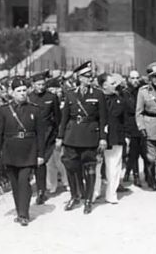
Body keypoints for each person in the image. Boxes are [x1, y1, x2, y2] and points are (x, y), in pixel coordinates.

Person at [0, 77, 45, 226]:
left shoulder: (34, 109)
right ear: (12, 93)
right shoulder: (4, 110)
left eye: (24, 90)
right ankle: (19, 209)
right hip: (10, 151)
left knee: (24, 182)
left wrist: (40, 154)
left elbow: (41, 134)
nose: (22, 93)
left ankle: (24, 213)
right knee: (15, 184)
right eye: (19, 91)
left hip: (29, 151)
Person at [56, 61, 107, 214]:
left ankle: (88, 200)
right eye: (86, 76)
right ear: (79, 77)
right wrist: (60, 136)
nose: (89, 78)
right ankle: (74, 195)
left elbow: (103, 119)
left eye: (91, 76)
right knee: (71, 168)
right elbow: (64, 118)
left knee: (90, 169)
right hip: (72, 137)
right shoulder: (71, 93)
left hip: (90, 136)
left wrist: (103, 138)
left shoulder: (98, 94)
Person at [135, 62, 156, 197]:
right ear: (149, 78)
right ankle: (152, 180)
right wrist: (141, 127)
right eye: (153, 76)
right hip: (149, 126)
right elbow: (139, 112)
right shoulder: (143, 91)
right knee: (150, 158)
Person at [28, 71, 60, 205]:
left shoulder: (51, 97)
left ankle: (41, 191)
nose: (41, 87)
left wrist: (59, 135)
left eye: (43, 84)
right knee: (33, 162)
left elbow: (58, 117)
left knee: (41, 162)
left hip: (47, 134)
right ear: (33, 84)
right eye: (38, 84)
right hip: (32, 134)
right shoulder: (29, 97)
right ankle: (32, 187)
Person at [98, 73, 126, 204]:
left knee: (114, 166)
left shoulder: (119, 98)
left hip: (115, 136)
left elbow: (123, 117)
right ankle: (94, 192)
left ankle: (111, 193)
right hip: (98, 137)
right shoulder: (96, 98)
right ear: (104, 85)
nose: (116, 86)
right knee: (96, 166)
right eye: (113, 83)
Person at [123, 70, 147, 187]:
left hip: (141, 123)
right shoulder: (125, 92)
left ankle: (136, 172)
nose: (135, 80)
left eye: (137, 78)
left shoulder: (142, 91)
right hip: (130, 124)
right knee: (133, 151)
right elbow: (131, 108)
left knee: (142, 150)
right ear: (128, 79)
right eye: (132, 78)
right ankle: (135, 174)